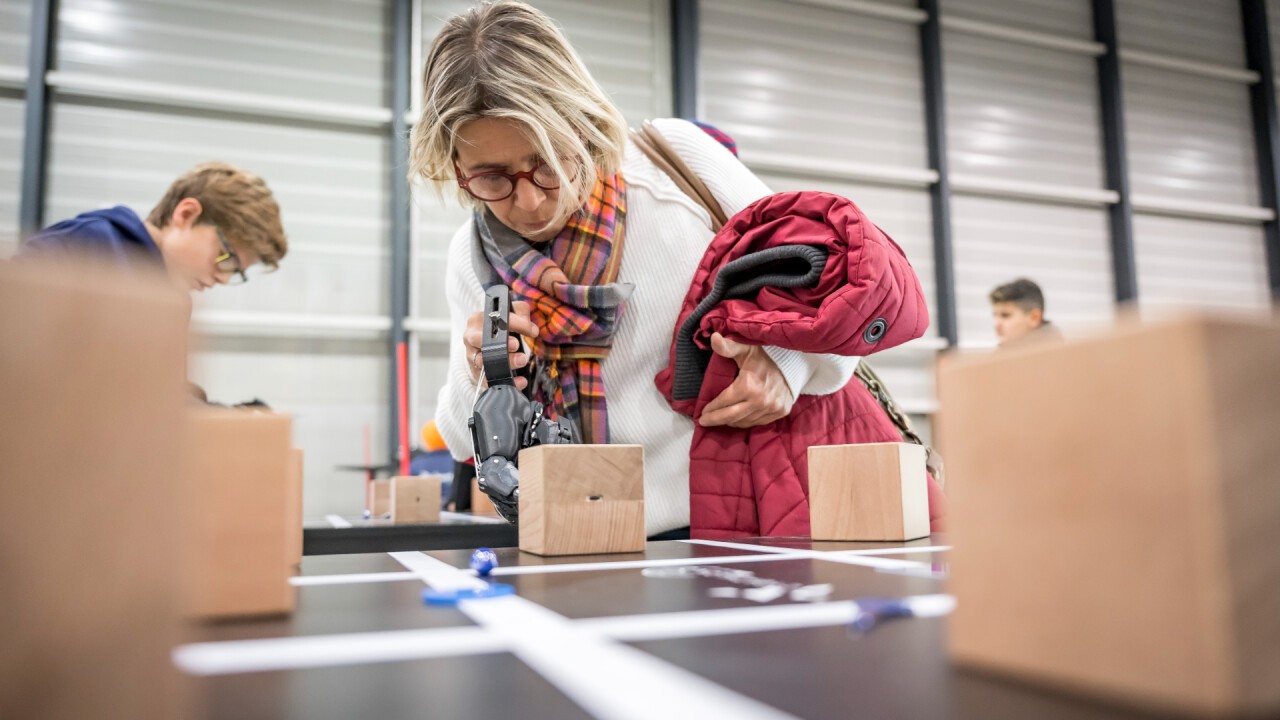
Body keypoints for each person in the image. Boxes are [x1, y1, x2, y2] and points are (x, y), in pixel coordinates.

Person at [411, 0, 865, 539]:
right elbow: (463, 443)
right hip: (586, 542)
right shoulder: (473, 254)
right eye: (492, 179)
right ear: (454, 168)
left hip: (747, 528)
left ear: (581, 122)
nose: (531, 201)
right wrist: (482, 371)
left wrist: (786, 365)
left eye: (549, 161)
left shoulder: (678, 165)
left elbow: (843, 298)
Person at [21, 162, 287, 292]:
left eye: (236, 272)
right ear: (186, 214)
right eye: (227, 258)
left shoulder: (171, 298)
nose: (224, 278)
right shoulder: (87, 244)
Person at [990, 278, 1062, 347]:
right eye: (995, 316)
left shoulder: (1058, 356)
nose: (997, 325)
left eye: (1005, 315)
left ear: (1034, 317)